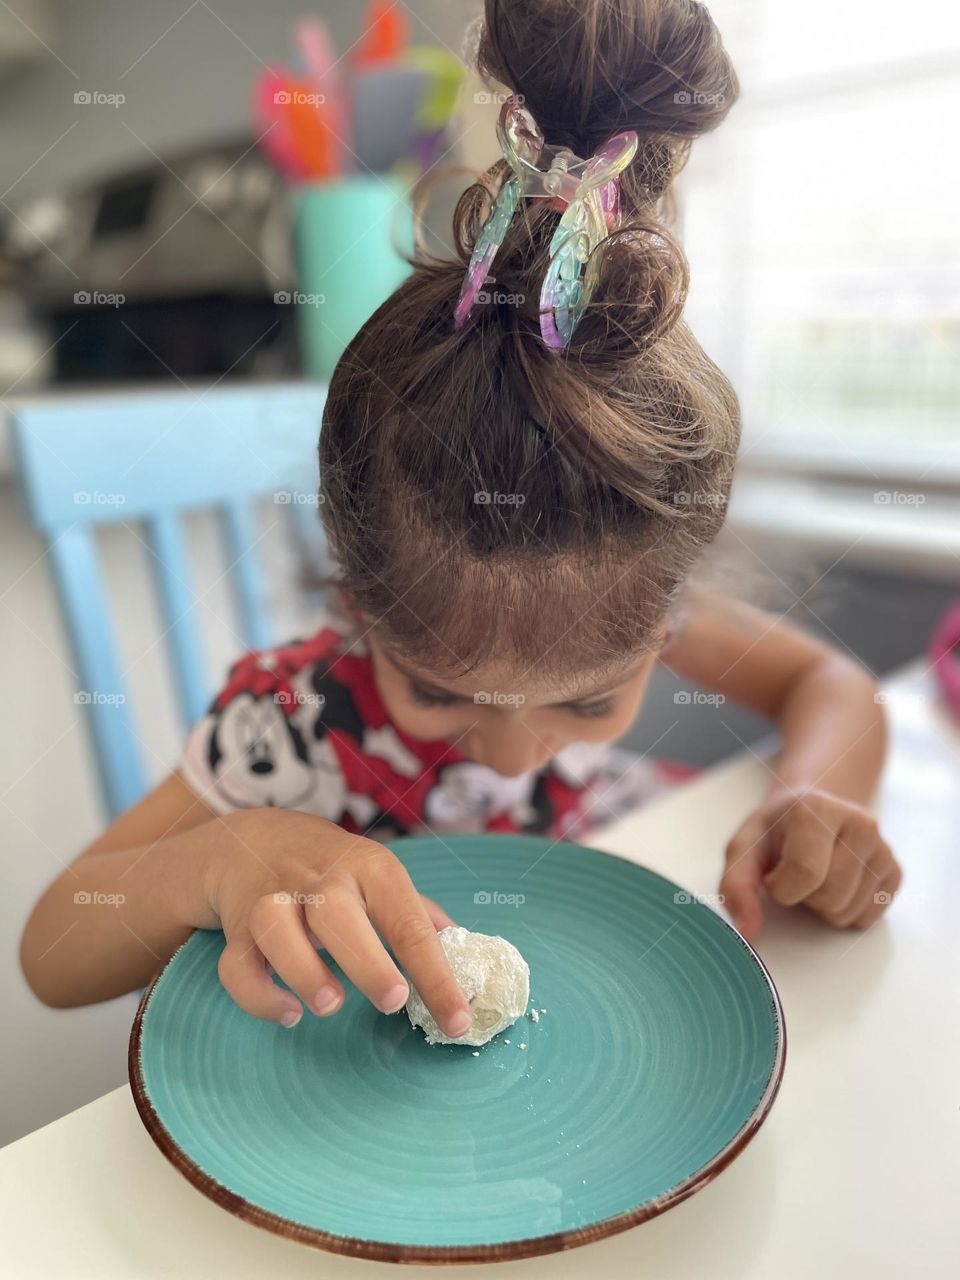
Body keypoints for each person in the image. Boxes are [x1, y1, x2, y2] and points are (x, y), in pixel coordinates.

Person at [21, 0, 901, 1043]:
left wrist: (812, 798)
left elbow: (831, 684)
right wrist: (220, 857)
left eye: (585, 701)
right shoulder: (295, 726)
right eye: (438, 689)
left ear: (661, 621)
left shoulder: (618, 597)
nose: (517, 754)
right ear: (355, 597)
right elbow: (53, 949)